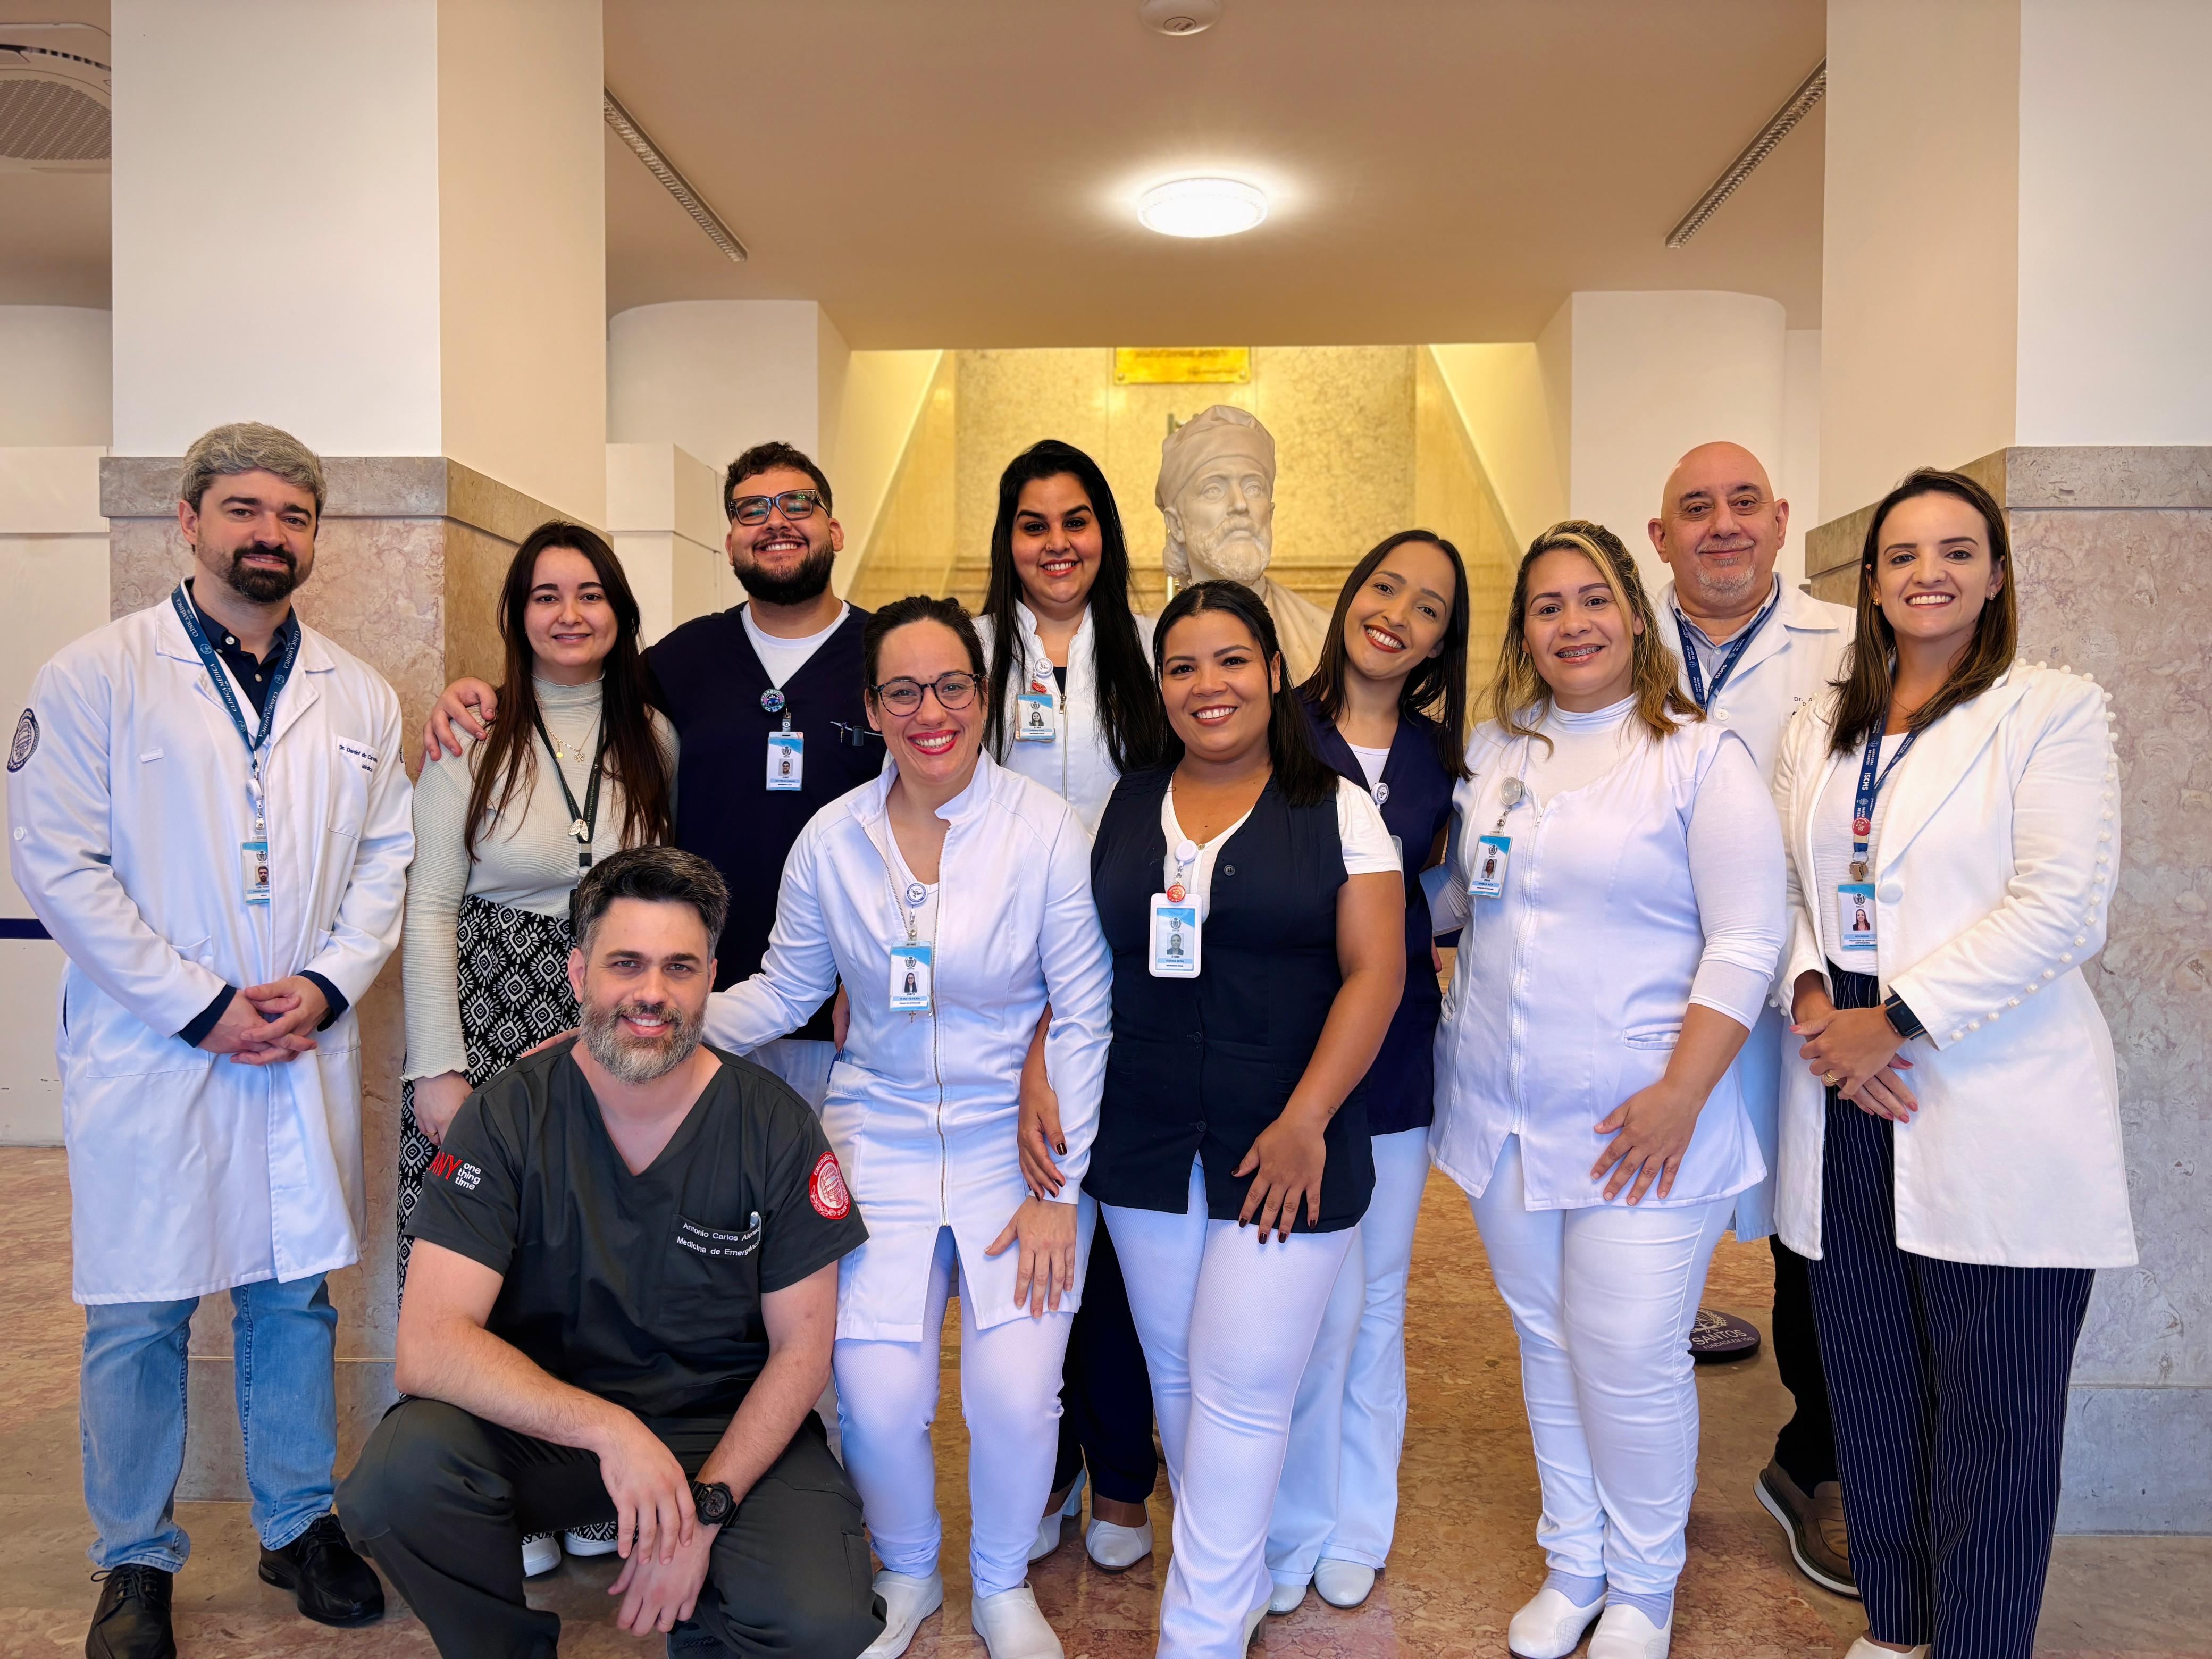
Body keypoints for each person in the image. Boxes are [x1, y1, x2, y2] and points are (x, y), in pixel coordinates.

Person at [7, 422, 409, 1656]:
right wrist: (200, 1004)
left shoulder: (358, 693)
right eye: (243, 509)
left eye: (292, 514)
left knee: (292, 1296)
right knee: (139, 1313)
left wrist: (328, 985)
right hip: (157, 1050)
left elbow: (385, 860)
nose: (268, 533)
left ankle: (296, 1523)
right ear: (188, 521)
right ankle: (133, 1557)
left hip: (294, 1043)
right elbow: (59, 862)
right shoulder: (96, 675)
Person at [339, 848, 884, 1658]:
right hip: (549, 1428)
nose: (651, 993)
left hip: (719, 1428)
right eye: (625, 963)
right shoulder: (507, 1116)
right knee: (398, 1484)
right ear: (578, 973)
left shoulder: (773, 1125)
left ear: (710, 979)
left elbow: (802, 1353)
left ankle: (705, 1633)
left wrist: (705, 1512)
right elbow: (429, 1347)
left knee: (821, 1623)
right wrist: (610, 1429)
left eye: (679, 967)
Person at [702, 596, 1112, 1659]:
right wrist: (661, 1023)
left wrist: (1059, 1194)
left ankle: (1001, 1583)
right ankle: (910, 1571)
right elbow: (786, 988)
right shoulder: (831, 841)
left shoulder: (1044, 831)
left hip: (1016, 1144)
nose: (931, 712)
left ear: (983, 695)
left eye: (952, 687)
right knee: (875, 1395)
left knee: (1016, 1397)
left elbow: (1086, 1011)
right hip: (874, 1130)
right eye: (903, 691)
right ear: (872, 707)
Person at [1770, 470, 2133, 1659]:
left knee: (1995, 1409)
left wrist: (1895, 1021)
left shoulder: (2050, 710)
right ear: (1871, 582)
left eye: (1958, 551)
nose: (1929, 572)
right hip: (1843, 1083)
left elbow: (2062, 905)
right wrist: (1816, 1000)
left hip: (1986, 1088)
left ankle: (1978, 1642)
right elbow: (1789, 891)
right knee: (1873, 1389)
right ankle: (1898, 1626)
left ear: (1995, 573)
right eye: (1903, 554)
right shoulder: (1820, 726)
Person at [1429, 521, 1784, 1659]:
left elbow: (1748, 937)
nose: (1572, 623)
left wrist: (1684, 1091)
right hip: (1504, 1114)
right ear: (1524, 631)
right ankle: (1574, 1559)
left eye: (1592, 599)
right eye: (1547, 606)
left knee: (1627, 1351)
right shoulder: (1498, 749)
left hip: (1646, 1121)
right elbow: (1459, 900)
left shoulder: (1698, 756)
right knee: (1546, 1339)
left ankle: (1643, 1584)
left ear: (1635, 613)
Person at [1087, 579, 1404, 1656]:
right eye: (1182, 666)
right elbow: (1088, 961)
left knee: (1240, 1386)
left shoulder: (1338, 807)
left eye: (1231, 660)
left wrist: (1308, 1118)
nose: (1206, 685)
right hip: (1143, 1139)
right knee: (1180, 1377)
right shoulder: (1129, 803)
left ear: (1273, 672)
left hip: (1287, 1146)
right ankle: (1236, 1565)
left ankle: (1201, 1630)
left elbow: (1375, 975)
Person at [424, 440, 881, 1113]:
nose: (775, 521)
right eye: (752, 510)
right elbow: (577, 694)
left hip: (845, 1016)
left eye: (797, 503)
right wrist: (478, 697)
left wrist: (876, 966)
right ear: (729, 543)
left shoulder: (886, 658)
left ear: (834, 529)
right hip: (688, 1010)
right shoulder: (683, 661)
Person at [399, 521, 676, 1574]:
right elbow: (429, 907)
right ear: (517, 617)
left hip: (610, 1025)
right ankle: (503, 1500)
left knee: (596, 1259)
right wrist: (439, 1067)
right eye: (546, 595)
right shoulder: (472, 738)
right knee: (491, 1266)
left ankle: (586, 1482)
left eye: (591, 593)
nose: (570, 613)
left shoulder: (654, 737)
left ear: (620, 612)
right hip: (488, 1020)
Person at [1645, 440, 1858, 1596]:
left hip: (1795, 992)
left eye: (1743, 504)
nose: (1721, 525)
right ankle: (1631, 1482)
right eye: (1696, 508)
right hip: (1648, 1000)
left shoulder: (1849, 644)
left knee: (1813, 1232)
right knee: (1638, 1232)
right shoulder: (1610, 634)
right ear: (1659, 537)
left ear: (1781, 520)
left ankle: (1817, 1463)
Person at [1265, 531, 1471, 1615]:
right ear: (1350, 596)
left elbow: (1447, 892)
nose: (1397, 613)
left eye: (1427, 606)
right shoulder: (1275, 726)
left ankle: (1359, 1519)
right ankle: (1290, 1520)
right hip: (1285, 1055)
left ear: (1442, 640)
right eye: (1384, 587)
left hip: (1395, 1061)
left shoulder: (1445, 758)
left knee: (1378, 1299)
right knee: (1303, 1305)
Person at [976, 439, 1170, 1577]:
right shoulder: (971, 657)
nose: (1057, 544)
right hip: (998, 988)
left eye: (1077, 520)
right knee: (1034, 1241)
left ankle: (1125, 1475)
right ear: (1007, 540)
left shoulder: (1153, 649)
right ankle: (1049, 1467)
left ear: (1108, 531)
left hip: (1130, 982)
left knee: (1117, 1249)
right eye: (1033, 523)